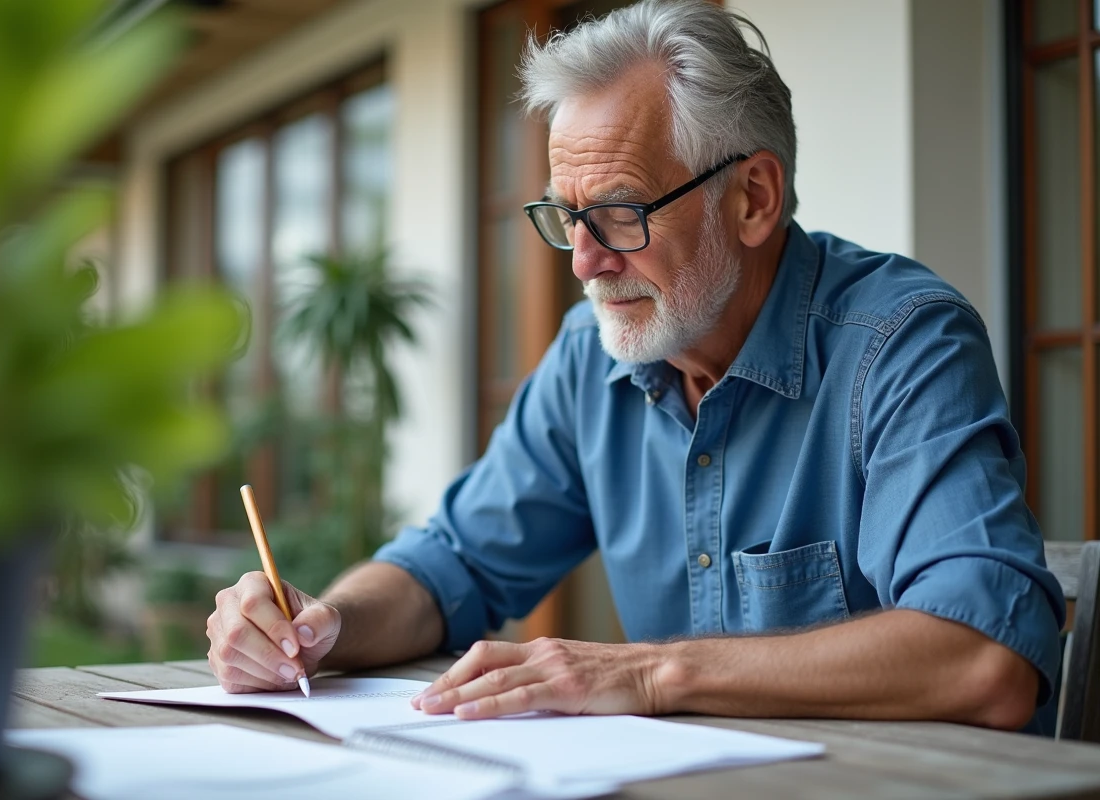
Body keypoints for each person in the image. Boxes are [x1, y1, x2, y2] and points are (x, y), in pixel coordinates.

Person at [206, 0, 1065, 733]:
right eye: (564, 216)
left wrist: (651, 674)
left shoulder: (901, 342)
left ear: (753, 198)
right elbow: (450, 568)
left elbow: (985, 658)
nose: (582, 263)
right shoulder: (593, 361)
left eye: (619, 213)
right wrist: (318, 626)